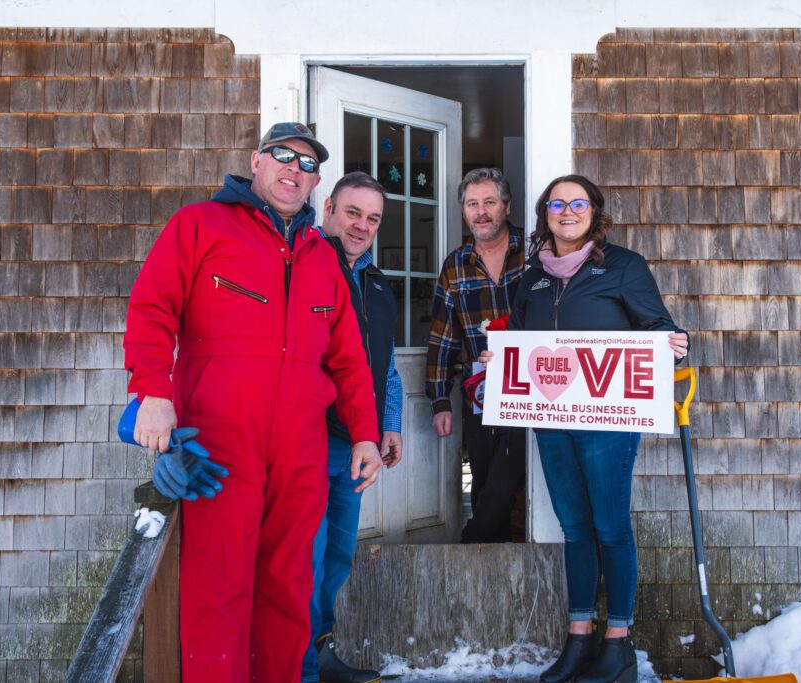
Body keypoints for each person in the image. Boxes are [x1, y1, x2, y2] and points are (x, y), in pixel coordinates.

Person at [124, 122, 383, 683]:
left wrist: (364, 432)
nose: (295, 169)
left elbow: (348, 360)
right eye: (283, 156)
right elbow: (151, 309)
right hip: (222, 441)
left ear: (317, 183)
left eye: (309, 163)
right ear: (256, 162)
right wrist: (152, 392)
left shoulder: (321, 256)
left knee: (289, 589)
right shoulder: (200, 225)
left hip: (301, 448)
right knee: (218, 588)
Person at [480, 175, 689, 683]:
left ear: (594, 212)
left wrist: (670, 341)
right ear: (544, 213)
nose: (567, 211)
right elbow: (524, 342)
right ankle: (579, 640)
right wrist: (500, 359)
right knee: (575, 529)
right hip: (551, 421)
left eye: (578, 203)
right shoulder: (531, 277)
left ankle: (617, 648)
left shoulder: (623, 267)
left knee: (610, 527)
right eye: (557, 203)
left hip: (607, 423)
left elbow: (656, 325)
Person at [303, 172, 403, 683]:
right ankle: (297, 665)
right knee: (307, 554)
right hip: (311, 436)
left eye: (372, 218)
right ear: (328, 208)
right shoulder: (306, 265)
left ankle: (321, 653)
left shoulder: (378, 284)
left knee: (339, 552)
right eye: (352, 213)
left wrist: (390, 424)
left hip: (357, 444)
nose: (362, 226)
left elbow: (383, 365)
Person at [425, 168, 526, 543]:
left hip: (533, 391)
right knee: (484, 482)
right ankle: (490, 571)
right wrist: (439, 399)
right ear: (464, 210)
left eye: (489, 202)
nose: (481, 212)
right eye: (472, 204)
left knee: (502, 486)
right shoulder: (455, 265)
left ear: (506, 206)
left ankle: (469, 546)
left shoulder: (535, 252)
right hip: (480, 395)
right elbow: (442, 336)